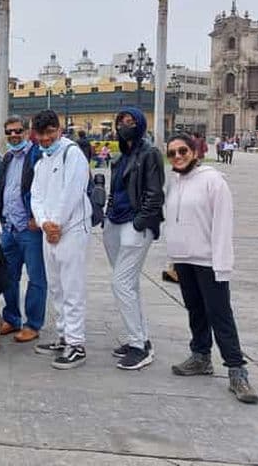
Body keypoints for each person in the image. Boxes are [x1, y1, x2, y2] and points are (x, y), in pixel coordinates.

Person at [165, 133, 258, 404]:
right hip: (184, 259)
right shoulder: (175, 181)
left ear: (195, 152)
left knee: (220, 314)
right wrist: (172, 258)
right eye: (172, 153)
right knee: (195, 310)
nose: (178, 157)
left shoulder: (213, 181)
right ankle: (201, 356)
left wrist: (222, 264)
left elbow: (222, 225)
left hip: (209, 260)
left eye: (183, 151)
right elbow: (173, 221)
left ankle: (237, 371)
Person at [103, 108, 164, 370]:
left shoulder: (149, 154)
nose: (124, 126)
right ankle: (140, 338)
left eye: (130, 122)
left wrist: (141, 222)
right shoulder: (120, 157)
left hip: (135, 224)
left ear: (139, 125)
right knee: (129, 283)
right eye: (120, 122)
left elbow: (154, 193)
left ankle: (139, 346)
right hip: (115, 222)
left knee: (121, 283)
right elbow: (114, 190)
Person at [30, 110, 92, 369]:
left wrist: (57, 222)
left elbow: (73, 192)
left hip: (72, 229)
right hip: (50, 231)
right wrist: (44, 222)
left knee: (71, 286)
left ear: (58, 130)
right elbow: (36, 195)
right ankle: (64, 335)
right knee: (56, 286)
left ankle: (76, 343)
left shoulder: (72, 153)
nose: (45, 139)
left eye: (49, 134)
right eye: (40, 135)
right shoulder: (42, 159)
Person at [0, 116, 45, 343]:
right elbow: (4, 188)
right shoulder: (7, 157)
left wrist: (37, 217)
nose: (13, 135)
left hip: (29, 227)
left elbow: (43, 188)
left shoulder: (36, 155)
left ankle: (33, 324)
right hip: (9, 226)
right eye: (9, 132)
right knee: (8, 276)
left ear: (26, 132)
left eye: (17, 131)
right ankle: (12, 317)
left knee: (36, 278)